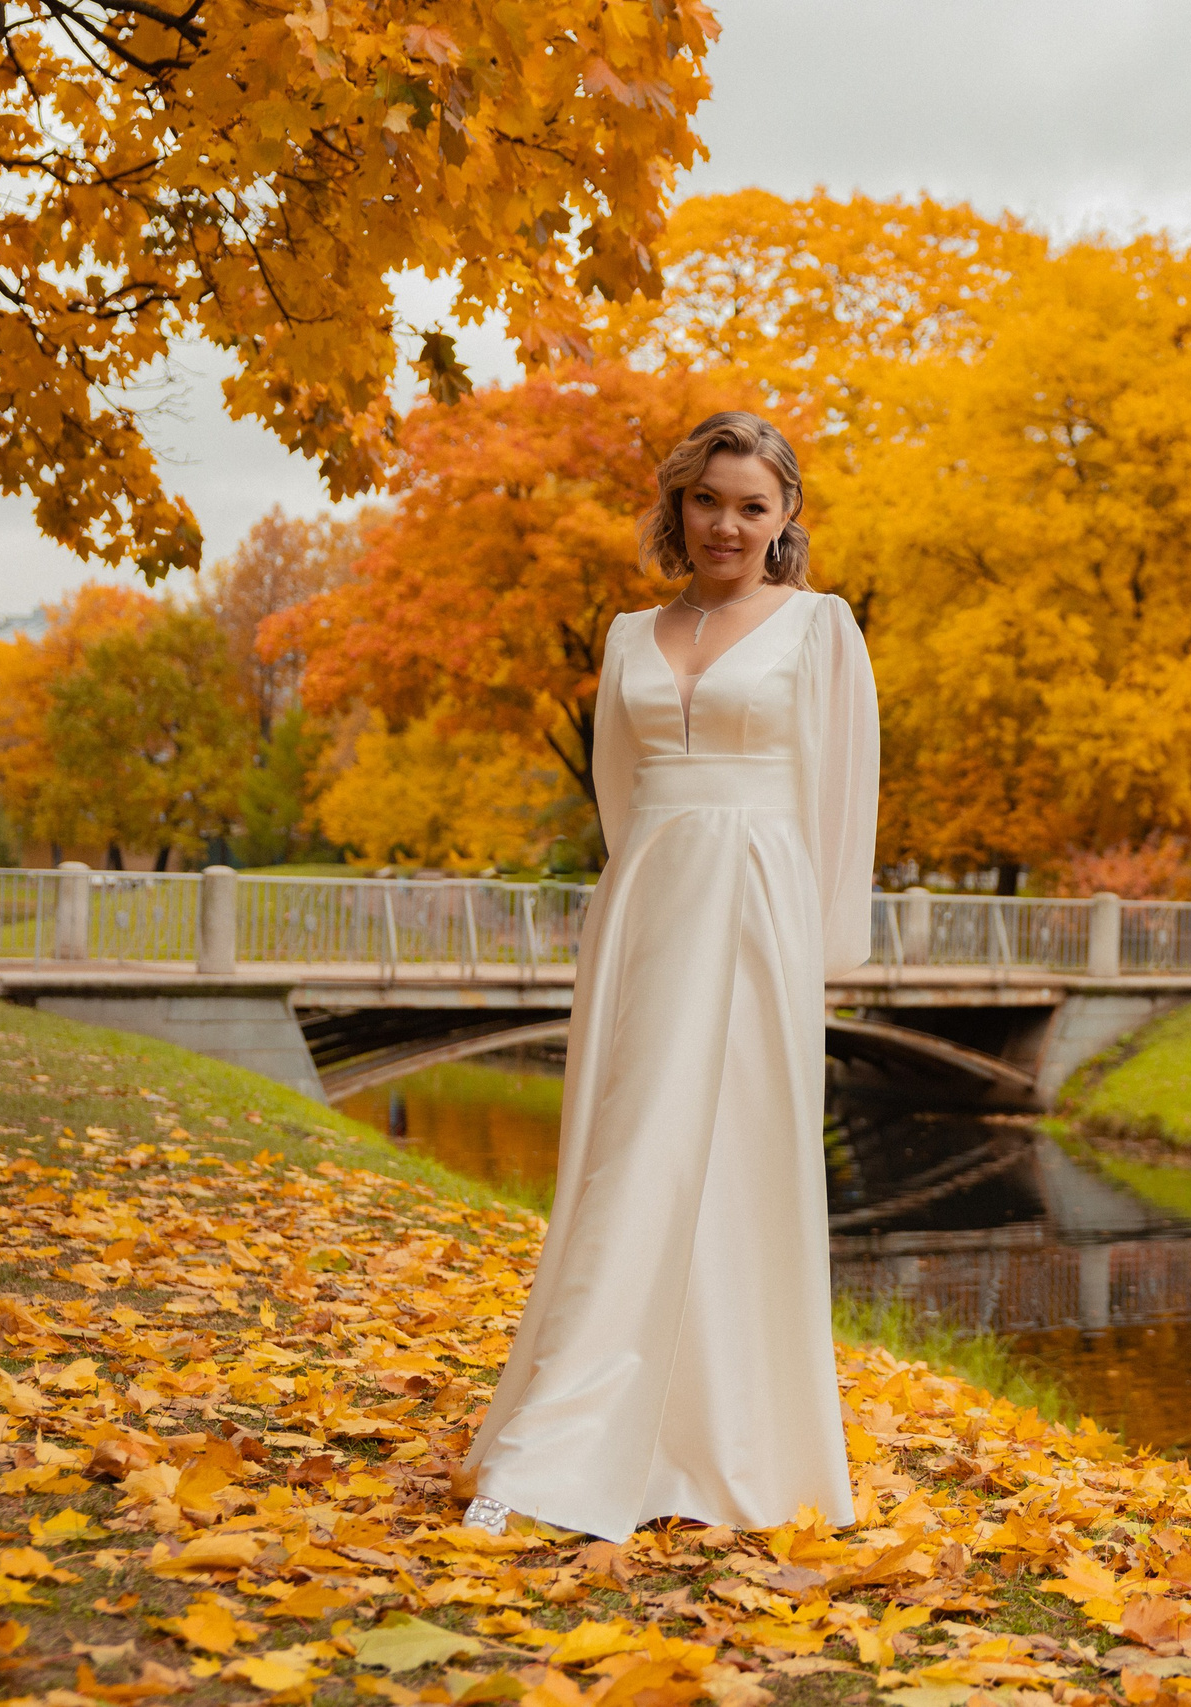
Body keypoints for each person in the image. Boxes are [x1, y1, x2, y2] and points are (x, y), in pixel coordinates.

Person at [457, 412, 879, 1541]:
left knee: (734, 1161)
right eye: (708, 501)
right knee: (627, 1153)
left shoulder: (819, 630)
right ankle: (567, 1432)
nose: (728, 525)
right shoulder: (629, 636)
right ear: (676, 506)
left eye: (753, 505)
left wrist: (821, 947)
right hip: (648, 909)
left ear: (787, 518)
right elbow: (618, 794)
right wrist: (640, 894)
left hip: (757, 914)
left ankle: (729, 1444)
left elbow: (840, 802)